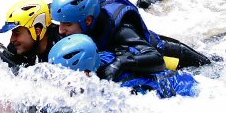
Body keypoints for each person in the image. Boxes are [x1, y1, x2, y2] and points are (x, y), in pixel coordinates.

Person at [50, 0, 211, 80]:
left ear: (88, 21)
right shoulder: (83, 17)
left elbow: (157, 59)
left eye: (67, 24)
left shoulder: (121, 30)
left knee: (212, 68)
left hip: (173, 57)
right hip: (138, 49)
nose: (61, 30)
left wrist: (120, 63)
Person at [49, 34, 199, 98]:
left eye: (67, 76)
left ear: (86, 72)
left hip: (187, 92)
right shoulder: (97, 60)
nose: (62, 81)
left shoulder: (124, 89)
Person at [0, 0, 62, 67]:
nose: (12, 39)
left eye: (17, 33)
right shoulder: (16, 47)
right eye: (12, 33)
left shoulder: (62, 48)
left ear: (37, 31)